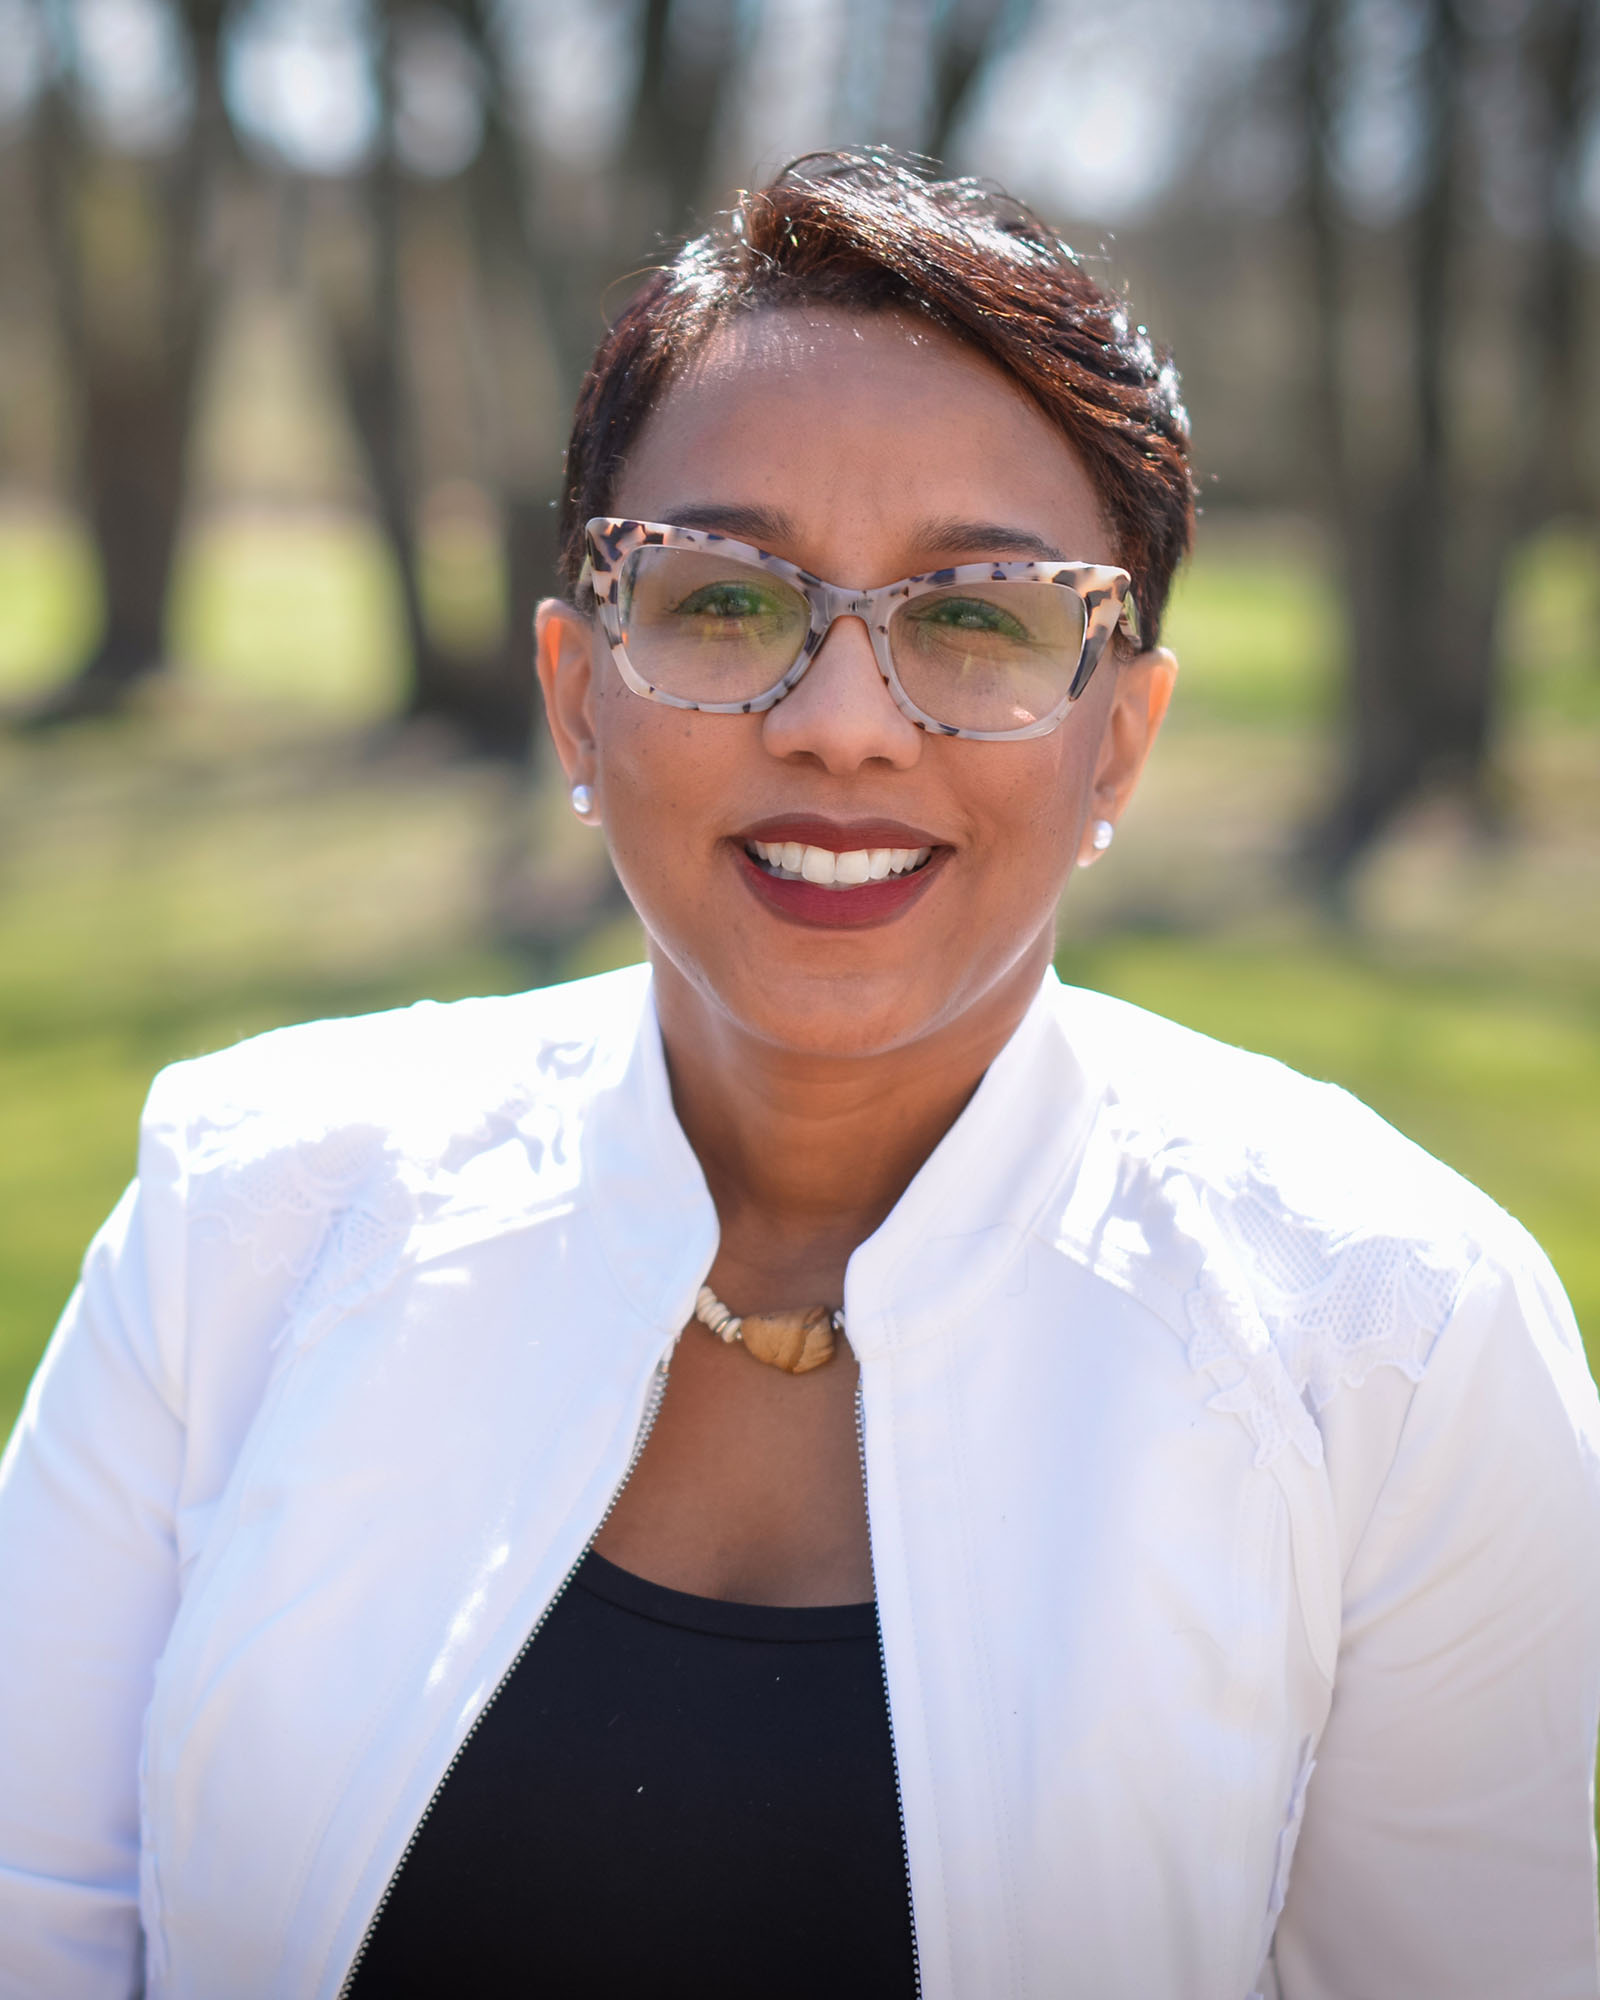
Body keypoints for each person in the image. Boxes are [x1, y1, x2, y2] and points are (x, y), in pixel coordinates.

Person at [1, 150, 1597, 2000]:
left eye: (978, 616)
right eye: (726, 602)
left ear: (1122, 744)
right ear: (576, 691)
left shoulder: (1392, 1339)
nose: (840, 724)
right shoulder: (243, 1215)